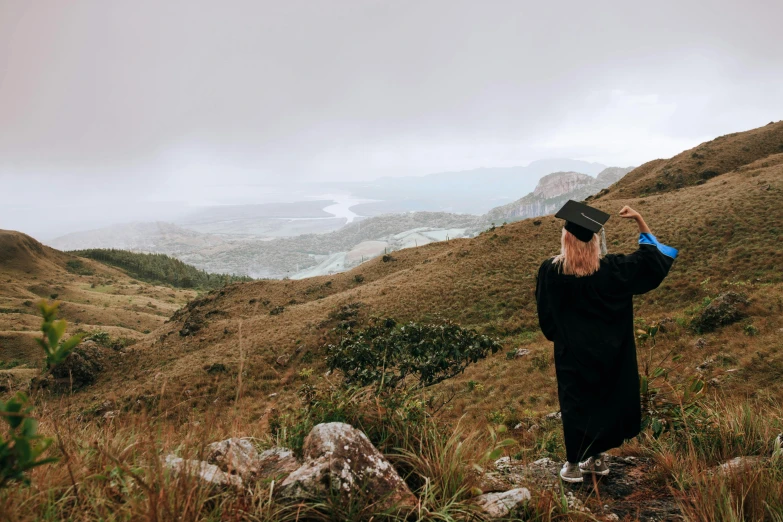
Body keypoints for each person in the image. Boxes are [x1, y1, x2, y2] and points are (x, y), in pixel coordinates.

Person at [535, 201, 678, 483]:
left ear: (566, 239)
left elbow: (546, 315)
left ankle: (574, 465)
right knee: (605, 399)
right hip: (611, 353)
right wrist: (640, 220)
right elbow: (652, 260)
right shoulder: (614, 269)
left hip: (572, 354)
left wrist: (561, 336)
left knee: (576, 402)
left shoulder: (551, 271)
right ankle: (597, 460)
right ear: (594, 242)